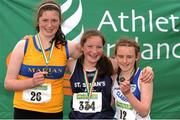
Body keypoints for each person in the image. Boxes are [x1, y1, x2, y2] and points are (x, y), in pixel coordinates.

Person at [4, 0, 80, 119]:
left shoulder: (68, 46)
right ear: (38, 21)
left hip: (53, 112)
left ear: (60, 22)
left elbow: (93, 55)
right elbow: (8, 83)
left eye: (54, 20)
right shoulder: (23, 45)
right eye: (45, 20)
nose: (49, 25)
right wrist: (31, 82)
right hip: (24, 110)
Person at [66, 29, 154, 119]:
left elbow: (144, 112)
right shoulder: (72, 64)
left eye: (99, 47)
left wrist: (149, 69)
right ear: (82, 47)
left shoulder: (110, 65)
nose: (94, 51)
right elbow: (60, 47)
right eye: (89, 46)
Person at [111, 38, 153, 120]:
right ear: (115, 56)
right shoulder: (114, 75)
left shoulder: (144, 77)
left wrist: (128, 94)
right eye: (120, 56)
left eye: (129, 57)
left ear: (137, 56)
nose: (125, 61)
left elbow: (144, 112)